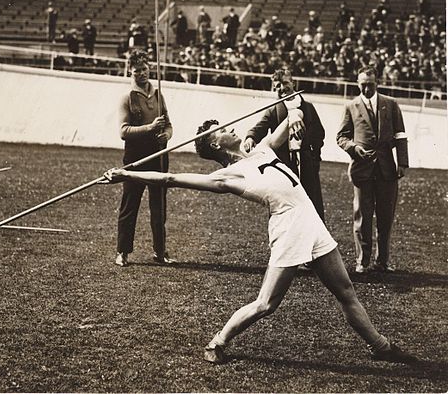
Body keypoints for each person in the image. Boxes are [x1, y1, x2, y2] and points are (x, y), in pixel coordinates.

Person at [104, 116, 417, 366]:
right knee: (267, 303)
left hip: (311, 222)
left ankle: (380, 346)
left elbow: (288, 119)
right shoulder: (228, 176)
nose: (232, 128)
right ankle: (217, 342)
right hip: (288, 228)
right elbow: (170, 179)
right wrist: (128, 175)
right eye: (223, 129)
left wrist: (294, 115)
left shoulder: (261, 149)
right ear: (216, 142)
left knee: (345, 291)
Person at [337, 66, 408, 274]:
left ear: (377, 83)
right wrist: (354, 148)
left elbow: (401, 135)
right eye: (363, 85)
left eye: (370, 84)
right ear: (358, 84)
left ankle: (382, 261)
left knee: (386, 217)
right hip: (362, 171)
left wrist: (402, 163)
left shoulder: (391, 104)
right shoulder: (351, 106)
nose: (367, 89)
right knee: (362, 217)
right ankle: (363, 262)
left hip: (387, 171)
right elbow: (341, 137)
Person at [113, 50, 175, 267]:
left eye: (144, 68)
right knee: (130, 205)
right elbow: (123, 131)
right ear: (130, 72)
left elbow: (168, 125)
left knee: (159, 206)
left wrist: (165, 135)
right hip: (135, 157)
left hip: (158, 155)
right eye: (136, 70)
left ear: (150, 67)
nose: (141, 73)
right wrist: (149, 128)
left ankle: (160, 252)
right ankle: (123, 252)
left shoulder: (158, 93)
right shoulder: (127, 97)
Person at [244, 69, 326, 221]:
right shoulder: (273, 110)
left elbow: (319, 135)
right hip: (283, 163)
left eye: (285, 83)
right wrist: (250, 137)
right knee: (285, 201)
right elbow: (258, 128)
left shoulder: (308, 107)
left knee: (310, 201)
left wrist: (315, 159)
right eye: (277, 86)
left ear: (293, 83)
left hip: (306, 162)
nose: (282, 88)